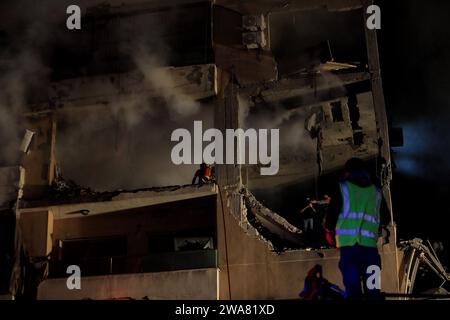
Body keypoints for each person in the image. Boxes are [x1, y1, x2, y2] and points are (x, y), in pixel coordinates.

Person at [324, 158, 391, 300]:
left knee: (353, 293)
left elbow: (330, 221)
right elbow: (386, 219)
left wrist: (330, 232)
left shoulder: (342, 188)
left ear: (347, 172)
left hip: (350, 252)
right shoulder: (376, 192)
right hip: (370, 252)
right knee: (373, 293)